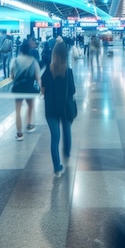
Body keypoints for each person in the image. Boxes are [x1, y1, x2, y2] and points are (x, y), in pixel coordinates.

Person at [41, 41, 76, 177]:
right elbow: (72, 91)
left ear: (54, 54)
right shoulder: (68, 72)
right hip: (65, 108)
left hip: (51, 109)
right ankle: (67, 152)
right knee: (67, 131)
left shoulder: (47, 72)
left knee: (55, 138)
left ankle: (57, 168)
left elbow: (42, 90)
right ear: (65, 55)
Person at [11, 42, 42, 140]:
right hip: (29, 88)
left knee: (18, 111)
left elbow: (12, 76)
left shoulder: (15, 60)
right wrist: (42, 89)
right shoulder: (33, 61)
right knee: (30, 106)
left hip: (18, 88)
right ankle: (29, 125)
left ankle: (19, 134)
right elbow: (38, 77)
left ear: (20, 50)